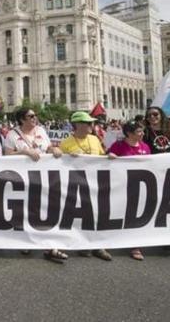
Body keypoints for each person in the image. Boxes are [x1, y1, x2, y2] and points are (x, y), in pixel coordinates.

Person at [59, 111, 111, 262]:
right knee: (80, 215)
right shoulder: (66, 143)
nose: (92, 125)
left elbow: (102, 157)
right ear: (78, 125)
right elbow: (58, 165)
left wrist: (110, 156)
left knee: (97, 213)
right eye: (88, 123)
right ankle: (82, 245)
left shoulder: (95, 139)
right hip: (76, 185)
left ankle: (98, 246)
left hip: (95, 183)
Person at [107, 121, 151, 261]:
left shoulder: (145, 146)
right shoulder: (118, 146)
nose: (142, 133)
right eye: (139, 131)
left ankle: (135, 245)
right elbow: (104, 160)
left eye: (142, 131)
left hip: (139, 188)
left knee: (135, 216)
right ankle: (108, 240)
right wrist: (110, 157)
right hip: (119, 187)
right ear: (129, 134)